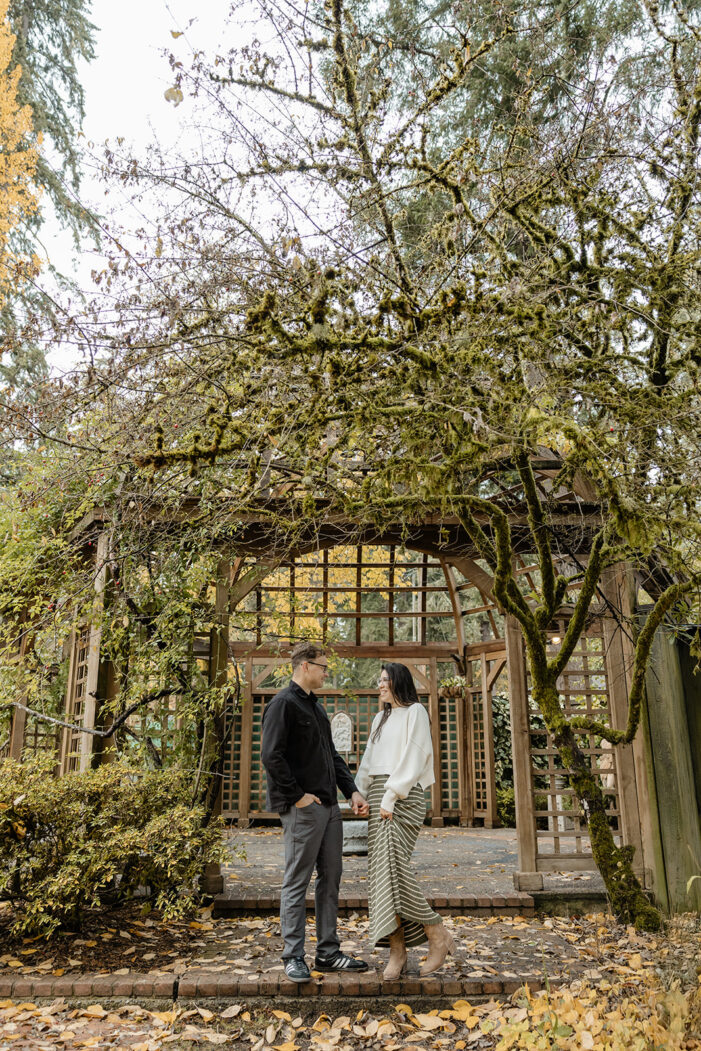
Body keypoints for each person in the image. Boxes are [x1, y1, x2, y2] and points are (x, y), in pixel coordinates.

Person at [261, 640, 371, 983]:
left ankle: (327, 952)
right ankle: (293, 956)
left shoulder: (318, 709)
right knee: (296, 881)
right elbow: (271, 756)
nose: (326, 672)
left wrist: (351, 790)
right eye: (323, 666)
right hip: (303, 811)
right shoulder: (282, 704)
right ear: (305, 666)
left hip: (330, 810)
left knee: (331, 880)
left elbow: (333, 758)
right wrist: (297, 797)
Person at [355, 662, 454, 980]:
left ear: (399, 682)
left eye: (385, 680)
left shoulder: (416, 713)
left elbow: (415, 757)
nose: (380, 685)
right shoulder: (379, 718)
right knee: (382, 873)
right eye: (379, 680)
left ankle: (436, 933)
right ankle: (398, 949)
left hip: (404, 796)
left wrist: (390, 795)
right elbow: (369, 760)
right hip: (378, 797)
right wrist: (359, 793)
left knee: (392, 867)